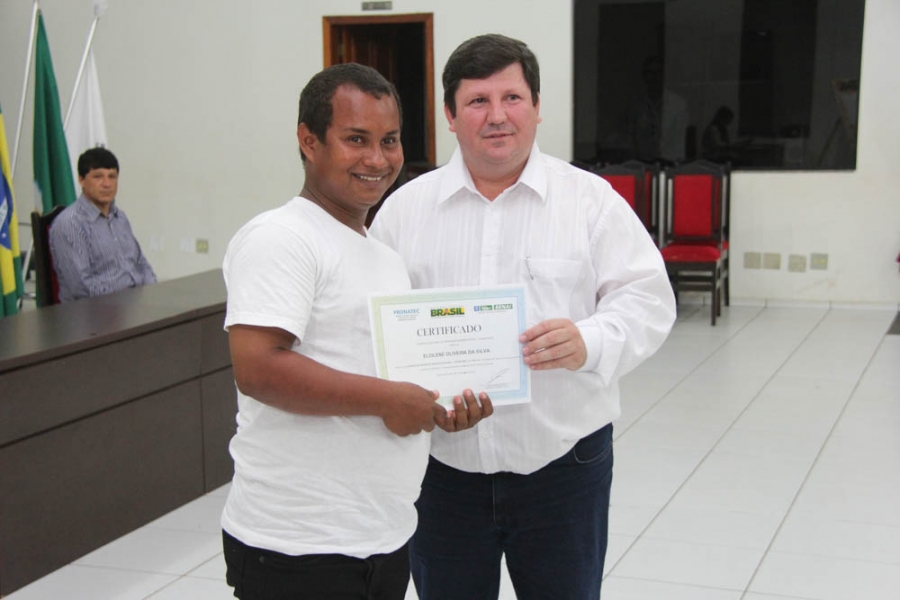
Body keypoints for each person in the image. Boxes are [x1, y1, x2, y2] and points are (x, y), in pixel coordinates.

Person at [370, 34, 676, 600]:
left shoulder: (590, 201)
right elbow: (370, 325)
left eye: (511, 97)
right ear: (450, 115)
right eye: (477, 101)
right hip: (441, 472)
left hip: (563, 467)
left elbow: (649, 301)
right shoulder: (402, 213)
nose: (497, 116)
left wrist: (590, 340)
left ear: (536, 107)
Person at [220, 62, 492, 600]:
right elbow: (258, 368)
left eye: (389, 140)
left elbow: (375, 373)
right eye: (356, 139)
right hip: (297, 546)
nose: (378, 159)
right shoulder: (282, 237)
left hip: (381, 537)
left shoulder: (382, 255)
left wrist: (437, 405)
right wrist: (389, 400)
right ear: (308, 140)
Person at [49, 147, 156, 302]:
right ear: (81, 180)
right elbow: (81, 288)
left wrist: (151, 293)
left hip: (132, 304)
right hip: (94, 310)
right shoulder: (70, 224)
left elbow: (141, 264)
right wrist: (127, 298)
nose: (107, 184)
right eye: (98, 176)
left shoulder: (119, 217)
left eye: (112, 177)